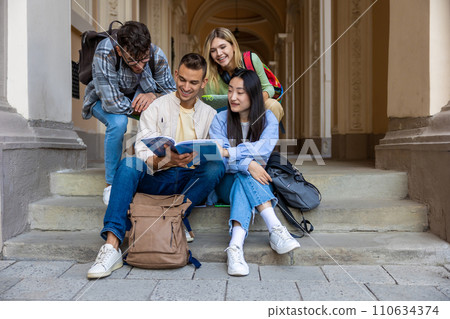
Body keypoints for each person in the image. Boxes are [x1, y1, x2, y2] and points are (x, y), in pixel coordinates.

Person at [87, 53, 225, 279]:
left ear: (203, 83)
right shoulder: (157, 107)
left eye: (193, 83)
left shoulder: (211, 115)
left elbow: (219, 151)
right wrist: (167, 161)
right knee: (129, 163)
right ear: (176, 75)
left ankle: (177, 215)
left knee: (215, 167)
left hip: (190, 184)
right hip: (159, 177)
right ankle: (111, 247)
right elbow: (141, 150)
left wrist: (199, 156)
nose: (186, 87)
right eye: (182, 80)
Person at [209, 69, 299, 276]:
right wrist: (248, 163)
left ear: (253, 94)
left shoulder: (268, 119)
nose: (233, 97)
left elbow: (261, 154)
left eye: (240, 92)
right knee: (246, 172)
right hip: (225, 182)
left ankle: (235, 247)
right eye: (230, 91)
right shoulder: (220, 119)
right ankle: (275, 229)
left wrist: (240, 160)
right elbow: (219, 158)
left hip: (250, 180)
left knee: (245, 175)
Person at [82, 21, 176, 205]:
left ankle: (159, 173)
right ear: (119, 51)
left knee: (165, 116)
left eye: (143, 59)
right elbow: (111, 102)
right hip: (102, 99)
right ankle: (111, 183)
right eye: (132, 60)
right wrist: (144, 105)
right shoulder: (105, 52)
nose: (140, 66)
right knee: (118, 123)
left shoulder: (156, 55)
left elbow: (171, 94)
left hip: (137, 98)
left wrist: (153, 97)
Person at [202, 27, 284, 122]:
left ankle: (267, 136)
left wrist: (254, 102)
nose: (219, 53)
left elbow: (269, 88)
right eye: (213, 50)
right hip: (228, 115)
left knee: (273, 105)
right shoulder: (209, 74)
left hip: (254, 109)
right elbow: (212, 108)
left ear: (233, 46)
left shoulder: (251, 60)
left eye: (223, 47)